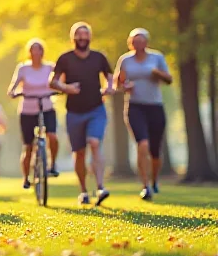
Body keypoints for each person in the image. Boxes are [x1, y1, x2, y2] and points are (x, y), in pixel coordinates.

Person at [51, 22, 114, 206]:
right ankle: (84, 191)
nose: (82, 38)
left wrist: (109, 88)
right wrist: (66, 87)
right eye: (78, 35)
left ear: (90, 38)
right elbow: (53, 82)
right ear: (73, 38)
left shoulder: (98, 57)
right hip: (74, 112)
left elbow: (109, 76)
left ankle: (101, 187)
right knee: (79, 153)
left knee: (94, 143)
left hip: (96, 109)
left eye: (85, 35)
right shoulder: (65, 59)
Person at [114, 28, 172, 201]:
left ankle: (154, 180)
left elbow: (169, 79)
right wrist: (125, 87)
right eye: (134, 41)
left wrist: (157, 73)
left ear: (146, 42)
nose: (138, 44)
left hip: (155, 106)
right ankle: (145, 186)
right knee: (143, 144)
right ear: (130, 43)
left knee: (155, 151)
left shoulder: (157, 58)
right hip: (135, 107)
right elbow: (117, 83)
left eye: (141, 40)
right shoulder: (125, 60)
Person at [8, 39, 59, 189]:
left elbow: (59, 82)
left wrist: (61, 89)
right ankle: (26, 177)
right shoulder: (23, 68)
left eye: (39, 50)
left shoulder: (50, 67)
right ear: (29, 53)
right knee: (28, 146)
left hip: (47, 107)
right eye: (33, 50)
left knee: (52, 136)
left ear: (43, 52)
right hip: (28, 110)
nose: (36, 53)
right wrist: (13, 92)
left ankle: (52, 163)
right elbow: (13, 85)